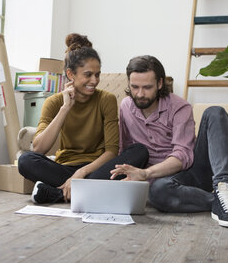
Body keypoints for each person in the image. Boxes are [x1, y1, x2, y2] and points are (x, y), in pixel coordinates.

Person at [109, 55, 228, 228]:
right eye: (134, 87)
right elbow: (126, 149)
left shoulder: (180, 107)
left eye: (147, 87)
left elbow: (183, 156)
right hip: (160, 185)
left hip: (192, 172)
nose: (140, 94)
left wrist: (146, 174)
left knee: (215, 112)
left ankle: (225, 189)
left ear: (159, 84)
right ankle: (224, 201)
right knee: (158, 192)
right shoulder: (126, 106)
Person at [18, 34, 148, 203]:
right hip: (65, 170)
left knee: (139, 151)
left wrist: (80, 174)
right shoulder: (54, 102)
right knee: (26, 161)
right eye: (88, 75)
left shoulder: (106, 99)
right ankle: (86, 191)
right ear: (71, 74)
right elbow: (39, 148)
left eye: (97, 74)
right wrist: (65, 108)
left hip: (98, 169)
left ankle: (58, 194)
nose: (94, 81)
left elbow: (111, 152)